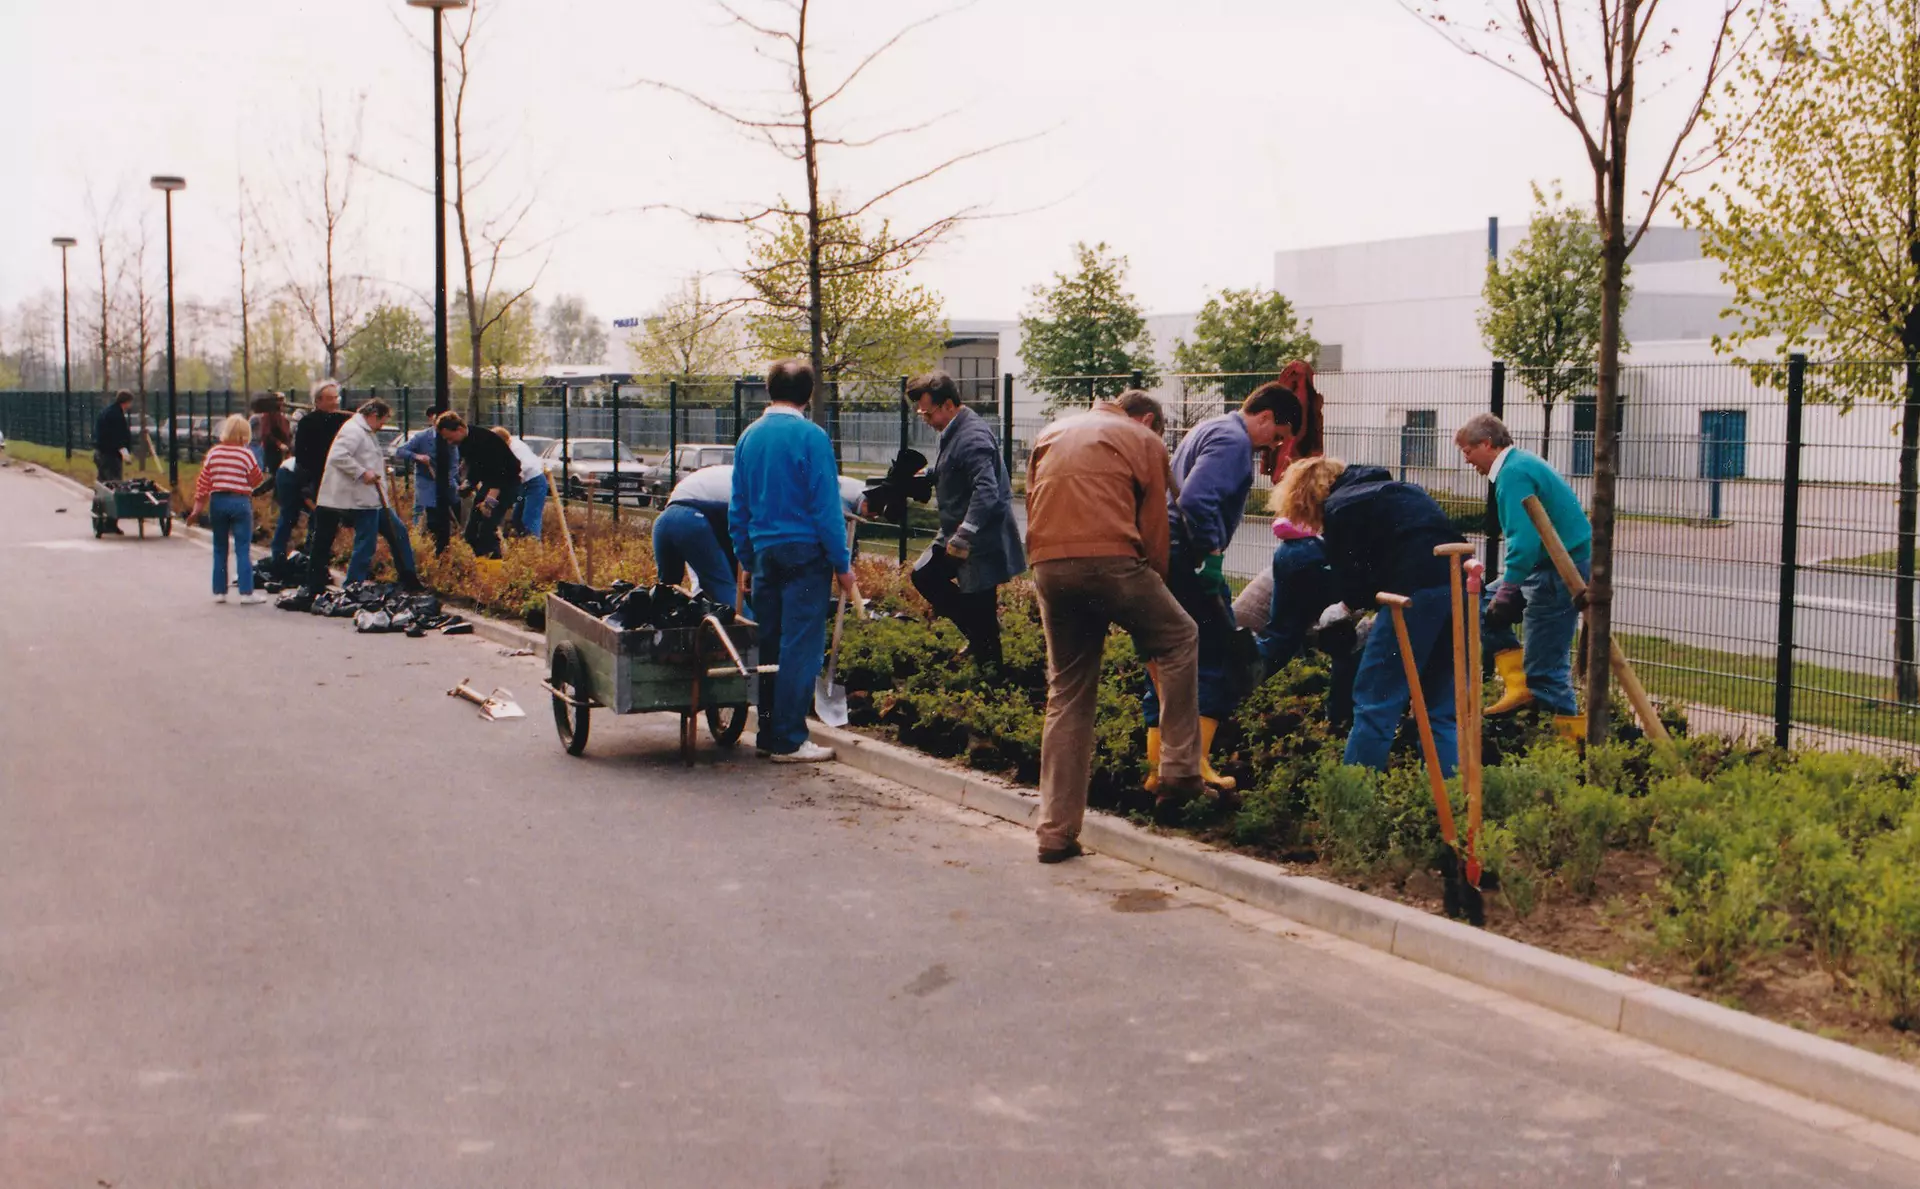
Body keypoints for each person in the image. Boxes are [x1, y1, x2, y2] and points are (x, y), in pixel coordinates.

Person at [1025, 392, 1209, 864]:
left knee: (1067, 692)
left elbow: (1032, 505)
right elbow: (1155, 535)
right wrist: (1155, 605)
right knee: (1180, 635)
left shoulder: (1049, 434)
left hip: (1048, 566)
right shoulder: (1142, 439)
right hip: (1112, 562)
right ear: (1147, 420)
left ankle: (1054, 832)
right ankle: (1180, 773)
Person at [1141, 380, 1303, 793]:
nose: (1272, 447)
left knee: (1164, 659)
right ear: (1265, 417)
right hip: (1187, 561)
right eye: (1277, 436)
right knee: (1217, 657)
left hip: (1166, 554)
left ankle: (1158, 767)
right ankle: (1195, 763)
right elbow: (1196, 500)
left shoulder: (1209, 428)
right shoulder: (1234, 442)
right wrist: (1212, 555)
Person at [1275, 457, 1463, 774]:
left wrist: (1346, 607)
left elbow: (1354, 577)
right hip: (1458, 587)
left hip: (1409, 597)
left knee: (1376, 699)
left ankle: (1356, 801)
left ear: (1306, 495)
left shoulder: (1340, 507)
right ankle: (1448, 797)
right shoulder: (1399, 489)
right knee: (1441, 706)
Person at [729, 358, 856, 764]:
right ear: (809, 394)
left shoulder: (749, 438)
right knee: (800, 647)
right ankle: (788, 738)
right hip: (805, 555)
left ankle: (767, 730)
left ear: (769, 390)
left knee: (768, 644)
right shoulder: (812, 437)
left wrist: (746, 559)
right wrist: (842, 563)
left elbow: (739, 507)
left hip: (765, 553)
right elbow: (826, 508)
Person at [1457, 412, 1592, 736]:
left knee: (1547, 669)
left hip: (1560, 571)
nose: (1466, 461)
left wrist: (1510, 587)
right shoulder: (1519, 464)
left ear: (1486, 444)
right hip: (1547, 565)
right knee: (1475, 603)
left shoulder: (1513, 473)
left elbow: (1524, 538)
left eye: (1467, 451)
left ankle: (1570, 752)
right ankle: (1518, 685)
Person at [904, 370, 1026, 672]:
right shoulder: (955, 429)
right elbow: (958, 467)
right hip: (959, 533)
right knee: (926, 576)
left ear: (947, 405)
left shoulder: (971, 436)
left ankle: (993, 685)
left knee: (977, 602)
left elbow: (988, 489)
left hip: (978, 540)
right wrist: (932, 474)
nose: (925, 419)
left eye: (927, 412)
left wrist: (966, 532)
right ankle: (981, 637)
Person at [656, 465, 867, 611]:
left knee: (665, 597)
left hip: (665, 521)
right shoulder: (771, 493)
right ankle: (754, 648)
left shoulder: (752, 482)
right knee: (729, 597)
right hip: (693, 519)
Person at [306, 399, 422, 593]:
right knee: (366, 543)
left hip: (374, 498)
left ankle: (409, 578)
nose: (382, 426)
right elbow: (338, 456)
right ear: (373, 415)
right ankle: (353, 585)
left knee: (398, 532)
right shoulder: (353, 430)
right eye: (382, 421)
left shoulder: (364, 431)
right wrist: (362, 472)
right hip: (361, 499)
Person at [190, 416, 268, 604]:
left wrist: (197, 509)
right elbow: (257, 479)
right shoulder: (246, 454)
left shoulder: (213, 453)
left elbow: (203, 483)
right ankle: (246, 593)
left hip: (218, 501)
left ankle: (219, 592)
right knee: (242, 548)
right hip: (240, 501)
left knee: (220, 548)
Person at [273, 378, 350, 566]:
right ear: (318, 401)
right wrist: (307, 490)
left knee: (319, 520)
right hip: (294, 476)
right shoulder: (307, 423)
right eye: (330, 398)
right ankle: (278, 558)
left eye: (336, 397)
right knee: (289, 517)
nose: (335, 402)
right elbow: (303, 460)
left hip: (324, 477)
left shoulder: (341, 420)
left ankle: (310, 560)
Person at [433, 412, 522, 559]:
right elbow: (475, 467)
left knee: (486, 530)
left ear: (460, 429)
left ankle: (494, 571)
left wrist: (489, 502)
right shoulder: (464, 443)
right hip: (490, 484)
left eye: (450, 438)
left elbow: (500, 474)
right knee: (471, 533)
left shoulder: (486, 440)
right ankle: (483, 567)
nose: (449, 442)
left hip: (506, 485)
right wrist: (468, 483)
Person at [393, 420, 459, 532]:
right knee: (426, 505)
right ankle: (419, 533)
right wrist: (417, 456)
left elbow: (454, 463)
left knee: (454, 501)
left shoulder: (451, 437)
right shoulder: (421, 437)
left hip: (445, 478)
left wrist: (447, 479)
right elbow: (400, 451)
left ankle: (454, 530)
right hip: (425, 478)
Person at [92, 391, 136, 534]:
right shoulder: (117, 415)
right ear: (126, 402)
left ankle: (98, 514)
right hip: (110, 456)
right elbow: (119, 437)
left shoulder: (106, 412)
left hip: (100, 453)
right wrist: (124, 452)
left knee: (102, 486)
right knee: (114, 487)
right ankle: (110, 522)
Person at [495, 427, 549, 538]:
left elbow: (525, 465)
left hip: (534, 483)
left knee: (530, 517)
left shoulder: (516, 448)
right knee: (517, 518)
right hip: (524, 485)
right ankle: (523, 544)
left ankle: (533, 546)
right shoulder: (509, 447)